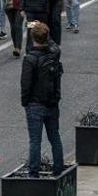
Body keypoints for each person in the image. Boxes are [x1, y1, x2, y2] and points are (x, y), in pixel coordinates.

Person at [20, 23, 65, 177]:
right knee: (55, 137)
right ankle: (58, 168)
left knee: (35, 141)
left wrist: (25, 102)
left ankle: (34, 172)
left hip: (34, 103)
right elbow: (52, 44)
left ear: (32, 38)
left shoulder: (30, 58)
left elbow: (25, 84)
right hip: (52, 103)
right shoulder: (54, 54)